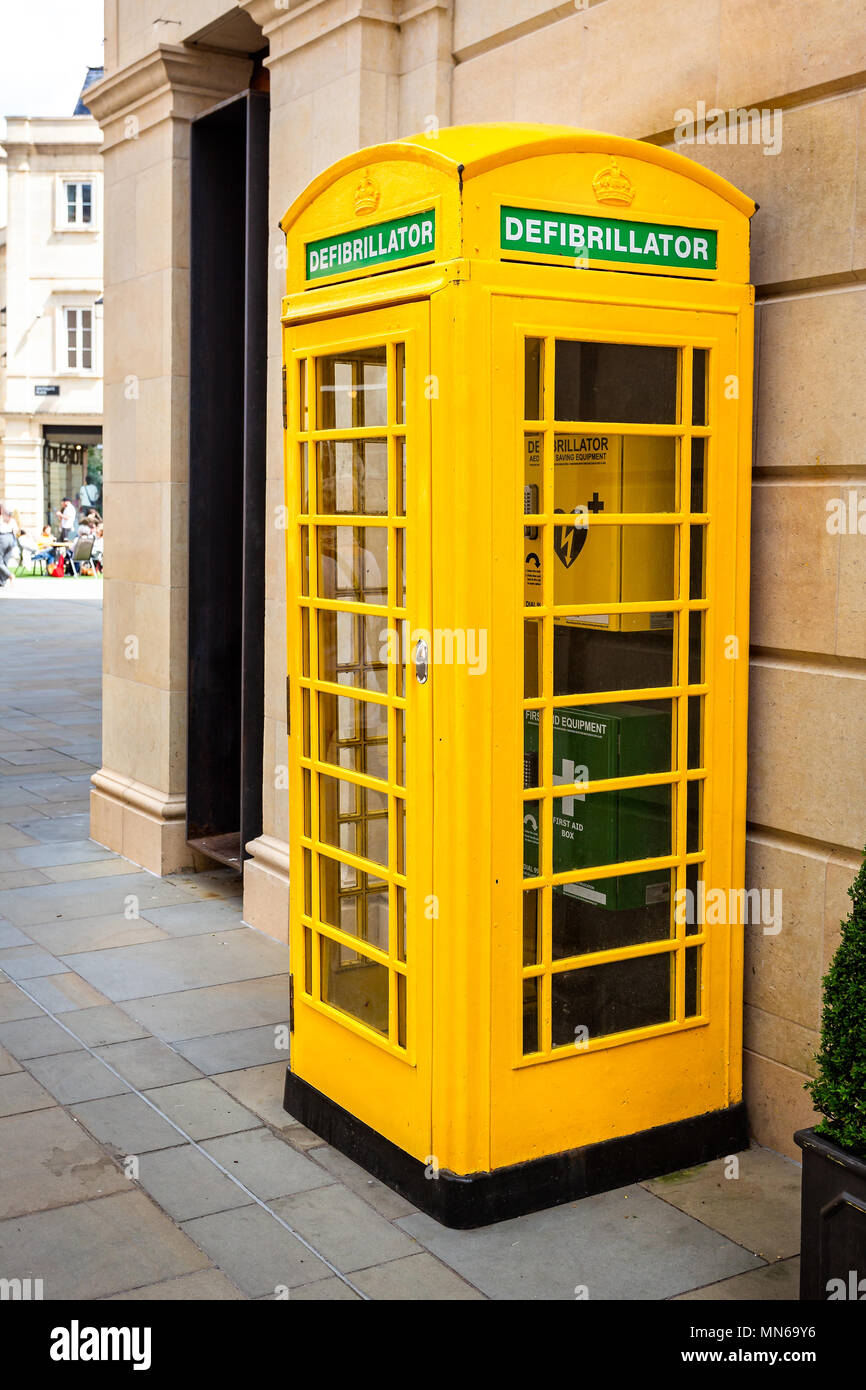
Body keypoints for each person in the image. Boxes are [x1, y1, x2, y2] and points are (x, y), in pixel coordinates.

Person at [0, 501, 18, 591]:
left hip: (2, 537)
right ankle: (2, 582)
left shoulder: (1, 518)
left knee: (0, 561)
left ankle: (10, 575)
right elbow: (16, 530)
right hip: (11, 538)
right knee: (5, 561)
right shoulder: (12, 519)